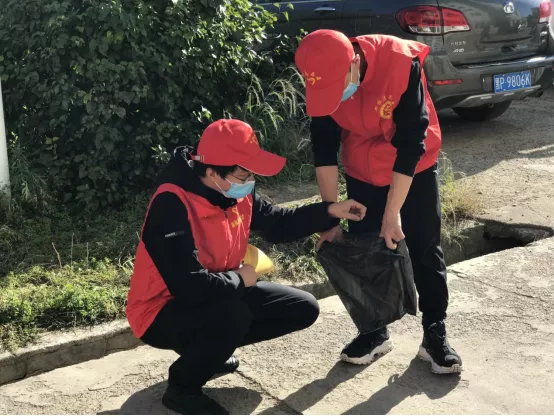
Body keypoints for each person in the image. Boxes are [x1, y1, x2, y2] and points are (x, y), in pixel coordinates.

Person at [125, 118, 367, 415]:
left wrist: (330, 211)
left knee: (302, 307)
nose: (251, 180)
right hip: (160, 310)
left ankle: (207, 353)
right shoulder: (171, 204)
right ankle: (182, 388)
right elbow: (189, 287)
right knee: (233, 315)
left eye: (252, 173)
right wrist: (240, 280)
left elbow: (278, 223)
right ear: (211, 171)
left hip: (217, 290)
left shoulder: (233, 191)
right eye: (244, 173)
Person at [294, 30, 463, 374]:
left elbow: (411, 143)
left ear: (354, 63)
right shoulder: (323, 81)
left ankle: (434, 332)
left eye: (338, 87)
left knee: (424, 247)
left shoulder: (400, 63)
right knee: (364, 248)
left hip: (413, 167)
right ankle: (374, 331)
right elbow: (324, 150)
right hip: (363, 165)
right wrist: (330, 216)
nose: (334, 97)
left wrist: (392, 213)